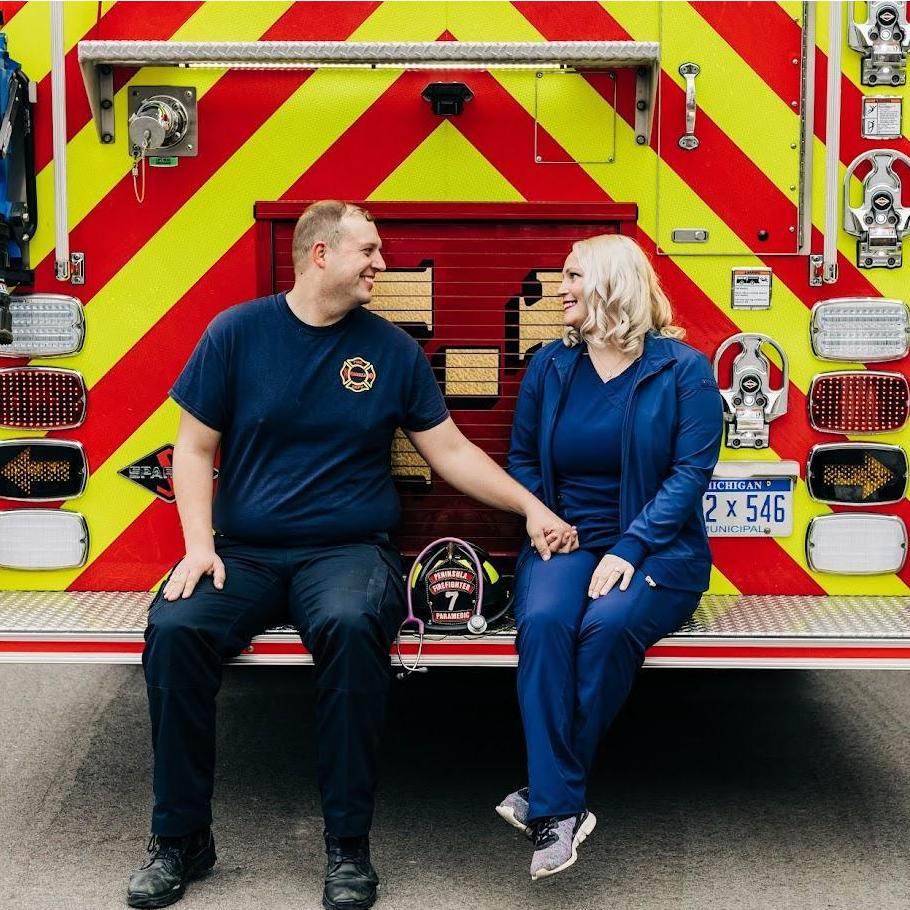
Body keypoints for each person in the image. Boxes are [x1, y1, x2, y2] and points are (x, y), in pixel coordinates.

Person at [126, 200, 576, 910]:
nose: (381, 264)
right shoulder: (236, 334)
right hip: (245, 552)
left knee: (351, 625)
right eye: (368, 251)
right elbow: (193, 447)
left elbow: (451, 450)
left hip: (347, 551)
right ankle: (180, 840)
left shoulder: (391, 351)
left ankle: (348, 848)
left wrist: (530, 507)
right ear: (320, 254)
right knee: (176, 630)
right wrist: (198, 547)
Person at [496, 234, 723, 881]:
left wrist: (631, 546)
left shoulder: (683, 371)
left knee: (606, 626)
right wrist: (543, 517)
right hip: (570, 539)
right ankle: (562, 807)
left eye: (572, 276)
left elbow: (689, 474)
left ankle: (550, 803)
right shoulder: (551, 366)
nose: (560, 287)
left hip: (658, 550)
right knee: (543, 623)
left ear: (611, 283)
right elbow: (521, 457)